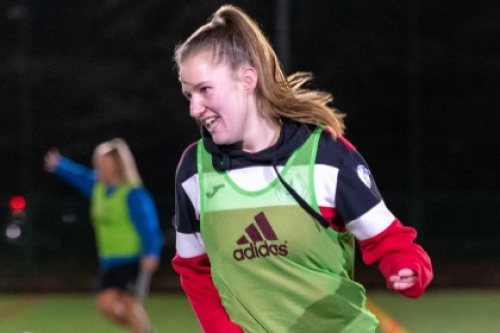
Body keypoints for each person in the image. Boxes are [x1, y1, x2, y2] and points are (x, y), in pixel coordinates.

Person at [172, 4, 433, 333]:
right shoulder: (193, 171)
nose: (195, 108)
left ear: (247, 79)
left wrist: (406, 268)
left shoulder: (325, 154)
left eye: (205, 89)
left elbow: (390, 240)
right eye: (188, 94)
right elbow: (194, 270)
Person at [44, 138, 164, 333]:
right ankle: (146, 331)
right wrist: (60, 165)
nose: (100, 168)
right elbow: (80, 176)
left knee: (129, 303)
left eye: (105, 165)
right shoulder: (97, 187)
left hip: (132, 258)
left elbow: (149, 225)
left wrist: (152, 252)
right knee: (106, 305)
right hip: (109, 259)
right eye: (98, 164)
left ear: (118, 165)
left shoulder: (133, 193)